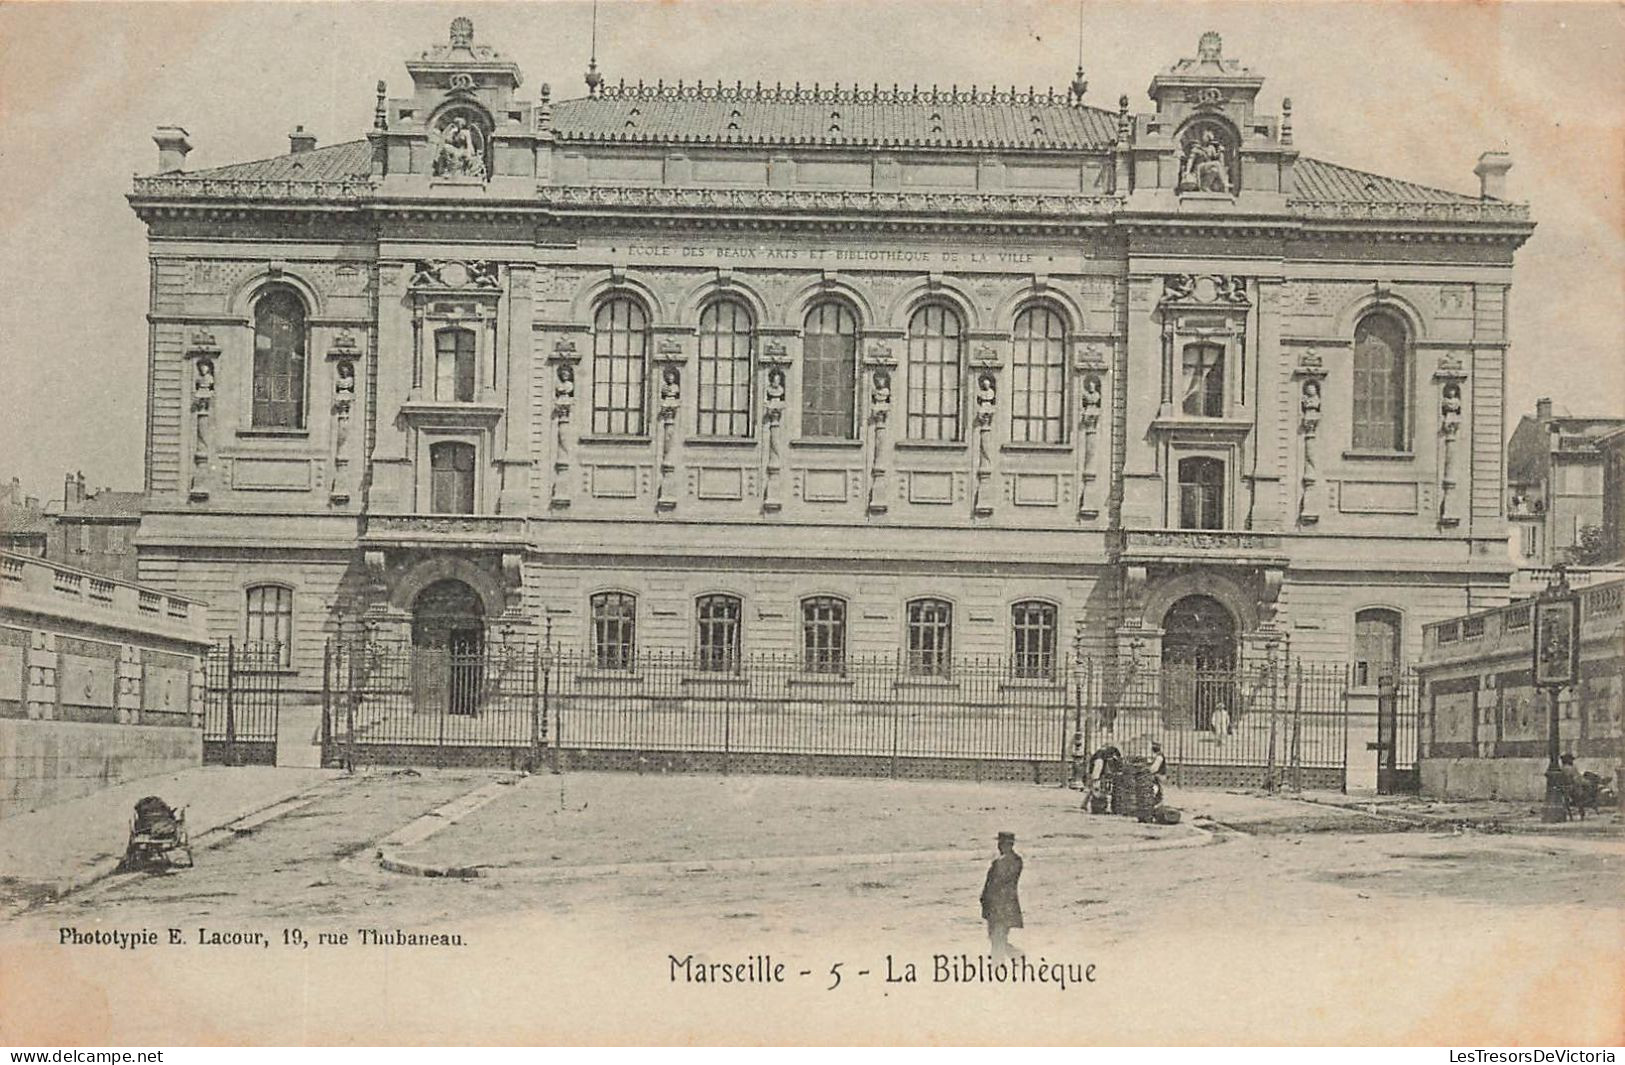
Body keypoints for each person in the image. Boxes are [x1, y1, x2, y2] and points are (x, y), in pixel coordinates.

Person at [980, 831, 1023, 960]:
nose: (999, 846)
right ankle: (1015, 956)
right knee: (998, 938)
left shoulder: (1000, 862)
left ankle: (999, 967)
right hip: (1008, 905)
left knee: (996, 939)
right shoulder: (1017, 860)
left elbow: (994, 884)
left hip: (997, 905)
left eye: (1001, 843)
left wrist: (985, 899)